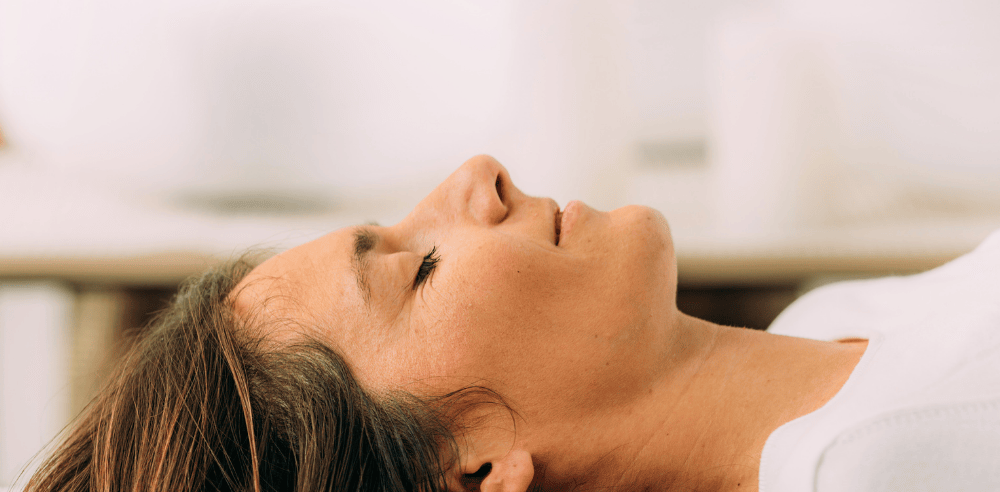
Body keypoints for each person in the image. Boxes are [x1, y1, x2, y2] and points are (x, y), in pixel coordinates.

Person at [26, 155, 1000, 492]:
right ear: (478, 468)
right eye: (418, 266)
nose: (476, 176)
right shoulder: (892, 460)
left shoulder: (824, 328)